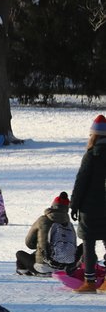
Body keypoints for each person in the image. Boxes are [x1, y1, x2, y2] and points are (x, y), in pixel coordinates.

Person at [70, 114, 106, 293]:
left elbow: (81, 181)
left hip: (90, 208)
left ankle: (90, 282)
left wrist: (74, 205)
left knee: (89, 244)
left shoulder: (92, 155)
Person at [16, 192, 80, 276]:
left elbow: (29, 243)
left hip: (43, 266)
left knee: (19, 254)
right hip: (65, 266)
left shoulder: (42, 220)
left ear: (53, 205)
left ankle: (23, 270)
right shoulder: (69, 224)